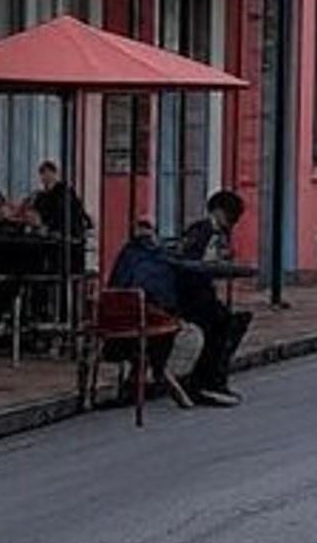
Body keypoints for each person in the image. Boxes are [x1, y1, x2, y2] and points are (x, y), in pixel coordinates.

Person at [170, 190, 252, 406]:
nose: (231, 223)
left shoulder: (213, 233)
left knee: (228, 322)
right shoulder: (202, 230)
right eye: (230, 216)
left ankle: (211, 379)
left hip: (200, 292)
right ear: (218, 211)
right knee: (222, 325)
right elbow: (189, 263)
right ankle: (206, 380)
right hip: (191, 295)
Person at [105, 220, 193, 409]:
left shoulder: (127, 255)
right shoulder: (161, 256)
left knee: (148, 331)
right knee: (163, 330)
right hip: (147, 323)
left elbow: (116, 284)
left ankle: (137, 379)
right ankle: (154, 375)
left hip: (119, 324)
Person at [23, 159, 91, 243]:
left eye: (47, 173)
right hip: (48, 232)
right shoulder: (40, 196)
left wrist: (47, 226)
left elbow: (66, 213)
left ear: (54, 174)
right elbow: (36, 213)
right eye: (42, 174)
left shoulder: (64, 192)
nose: (45, 177)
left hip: (64, 234)